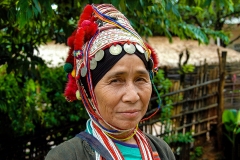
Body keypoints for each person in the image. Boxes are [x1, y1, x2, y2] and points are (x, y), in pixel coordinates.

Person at [45, 3, 175, 160]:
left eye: (140, 79)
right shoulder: (66, 156)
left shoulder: (162, 151)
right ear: (88, 93)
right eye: (116, 81)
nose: (132, 96)